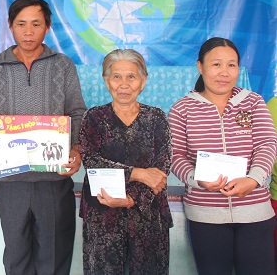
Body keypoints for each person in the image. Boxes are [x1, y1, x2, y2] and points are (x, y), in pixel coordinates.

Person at [0, 0, 86, 275]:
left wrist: (78, 148)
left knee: (54, 258)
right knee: (16, 258)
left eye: (36, 24)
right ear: (10, 26)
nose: (28, 31)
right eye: (21, 24)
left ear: (48, 27)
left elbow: (77, 111)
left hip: (53, 180)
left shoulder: (63, 65)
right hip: (10, 181)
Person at [170, 37, 277, 275]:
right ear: (200, 66)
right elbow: (175, 154)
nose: (224, 72)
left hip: (255, 213)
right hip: (205, 215)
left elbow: (267, 143)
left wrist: (254, 179)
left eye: (231, 65)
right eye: (216, 64)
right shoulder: (182, 108)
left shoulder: (253, 102)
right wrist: (196, 178)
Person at [78, 49, 173, 275]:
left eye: (131, 76)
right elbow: (91, 161)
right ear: (106, 80)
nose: (124, 84)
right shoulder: (94, 117)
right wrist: (138, 173)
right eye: (116, 76)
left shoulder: (157, 117)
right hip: (102, 216)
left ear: (143, 80)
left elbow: (162, 167)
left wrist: (132, 200)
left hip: (149, 218)